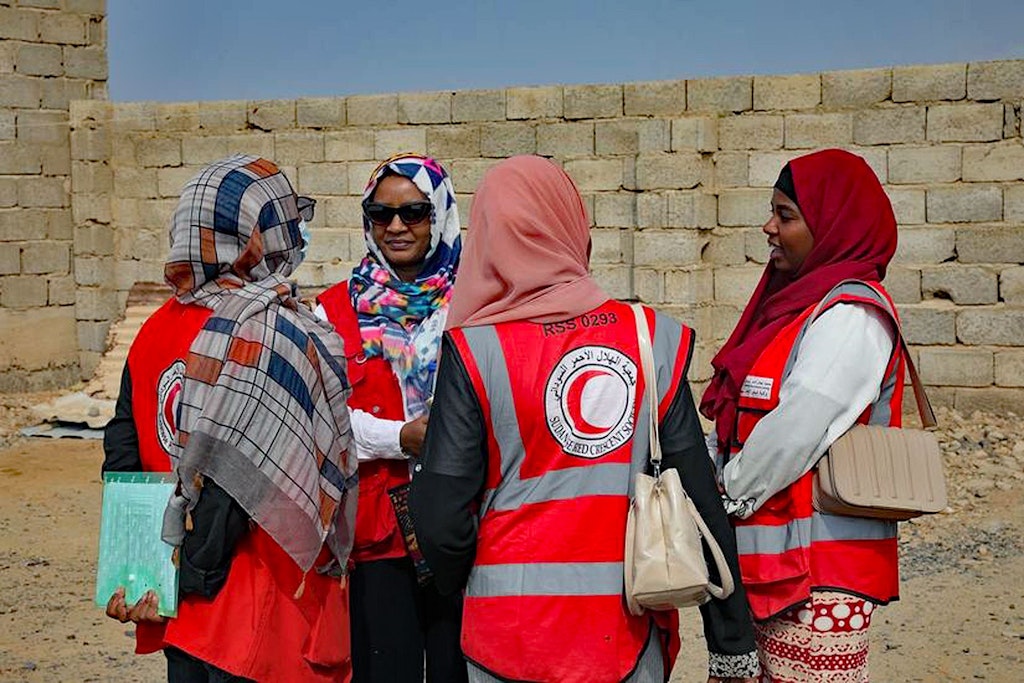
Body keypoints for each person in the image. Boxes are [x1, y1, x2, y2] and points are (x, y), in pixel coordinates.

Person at [409, 155, 759, 683]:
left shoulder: (476, 351)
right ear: (572, 225)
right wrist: (732, 643)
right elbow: (696, 493)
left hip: (509, 635)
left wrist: (471, 578)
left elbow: (441, 519)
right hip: (626, 627)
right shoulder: (649, 337)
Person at [103, 154, 357, 683]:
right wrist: (195, 573)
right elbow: (229, 475)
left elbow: (123, 448)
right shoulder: (262, 330)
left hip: (172, 599)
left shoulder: (152, 329)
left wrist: (142, 565)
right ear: (253, 237)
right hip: (252, 607)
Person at [700, 148, 904, 682]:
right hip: (772, 569)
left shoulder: (852, 317)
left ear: (833, 227)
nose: (769, 227)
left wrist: (721, 493)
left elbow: (797, 427)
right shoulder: (797, 309)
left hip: (819, 579)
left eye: (786, 215)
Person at [314, 153, 465, 682]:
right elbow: (322, 420)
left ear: (440, 214)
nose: (397, 227)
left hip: (462, 529)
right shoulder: (332, 312)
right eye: (382, 214)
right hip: (377, 535)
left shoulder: (478, 305)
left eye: (415, 213)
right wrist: (400, 437)